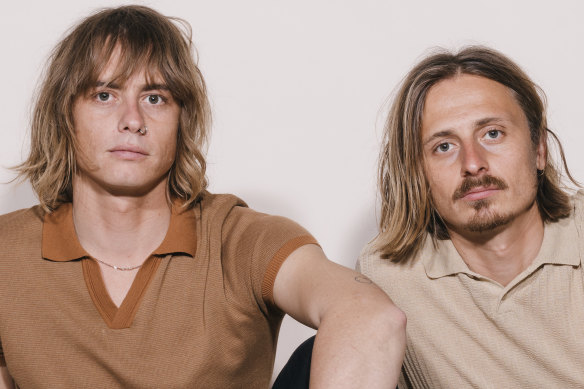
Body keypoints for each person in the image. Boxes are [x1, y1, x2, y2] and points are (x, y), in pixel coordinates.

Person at [0, 5, 406, 389]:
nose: (132, 121)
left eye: (154, 98)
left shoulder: (240, 239)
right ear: (64, 114)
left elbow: (372, 318)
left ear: (181, 121)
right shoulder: (7, 252)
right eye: (105, 95)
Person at [358, 46, 584, 387]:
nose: (473, 163)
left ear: (539, 149)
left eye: (492, 133)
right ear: (419, 172)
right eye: (444, 146)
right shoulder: (388, 274)